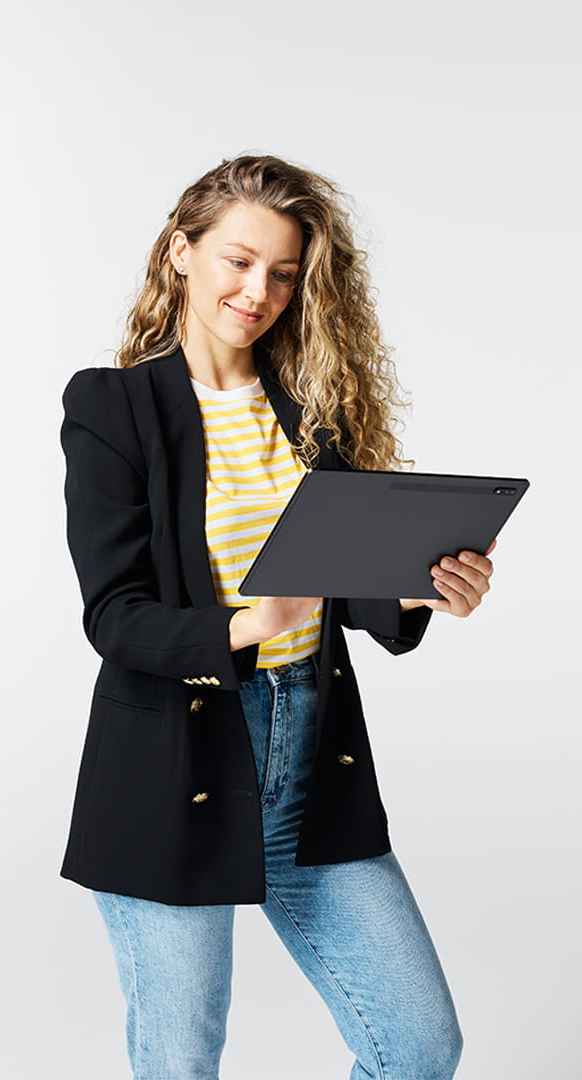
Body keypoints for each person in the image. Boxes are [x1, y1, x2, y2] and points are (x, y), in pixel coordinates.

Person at [59, 153, 495, 1080]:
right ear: (182, 253)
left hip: (311, 759)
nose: (260, 291)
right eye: (238, 261)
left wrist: (418, 589)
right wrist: (246, 625)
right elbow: (115, 616)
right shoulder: (115, 408)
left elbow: (347, 583)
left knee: (418, 1045)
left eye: (284, 273)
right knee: (181, 1064)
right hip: (171, 770)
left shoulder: (313, 408)